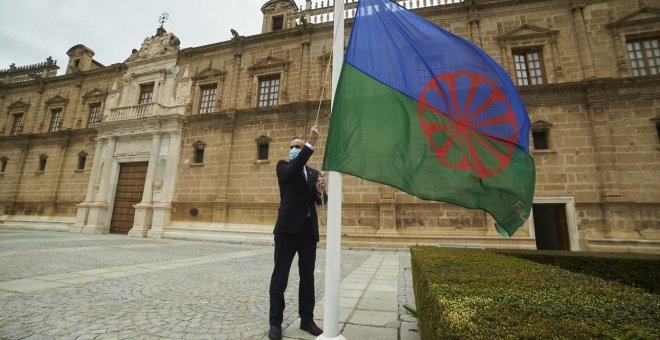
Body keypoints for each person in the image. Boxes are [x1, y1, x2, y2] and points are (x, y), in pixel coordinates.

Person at [268, 126, 327, 340]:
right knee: (280, 277)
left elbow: (319, 201)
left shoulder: (312, 173)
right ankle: (275, 324)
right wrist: (310, 143)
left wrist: (321, 190)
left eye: (298, 146)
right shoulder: (283, 166)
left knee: (307, 277)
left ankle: (307, 320)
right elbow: (292, 171)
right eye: (292, 146)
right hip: (286, 231)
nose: (294, 148)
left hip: (307, 232)